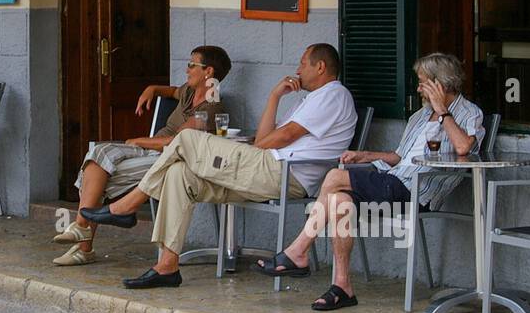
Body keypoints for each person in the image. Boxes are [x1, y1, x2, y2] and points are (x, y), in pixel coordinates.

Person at [83, 44, 356, 290]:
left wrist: (243, 152)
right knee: (180, 174)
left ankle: (127, 205)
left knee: (188, 139)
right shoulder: (308, 99)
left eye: (302, 64)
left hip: (284, 174)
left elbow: (282, 137)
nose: (297, 70)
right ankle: (167, 266)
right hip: (264, 170)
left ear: (320, 67)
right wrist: (274, 96)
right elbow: (265, 138)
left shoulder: (334, 94)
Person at [260, 52, 484, 312]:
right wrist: (365, 155)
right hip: (394, 181)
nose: (419, 88)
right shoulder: (420, 116)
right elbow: (399, 157)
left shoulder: (469, 113)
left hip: (417, 191)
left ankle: (298, 251)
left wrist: (443, 112)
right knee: (339, 200)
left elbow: (463, 146)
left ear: (440, 84)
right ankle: (342, 287)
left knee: (334, 177)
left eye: (423, 82)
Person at [52, 45, 231, 266]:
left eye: (191, 64)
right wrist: (152, 89)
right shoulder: (189, 92)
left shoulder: (211, 107)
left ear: (208, 72)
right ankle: (81, 233)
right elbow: (171, 91)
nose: (187, 69)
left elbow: (177, 142)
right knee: (98, 153)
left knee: (97, 173)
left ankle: (82, 240)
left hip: (170, 158)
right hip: (152, 151)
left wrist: (138, 141)